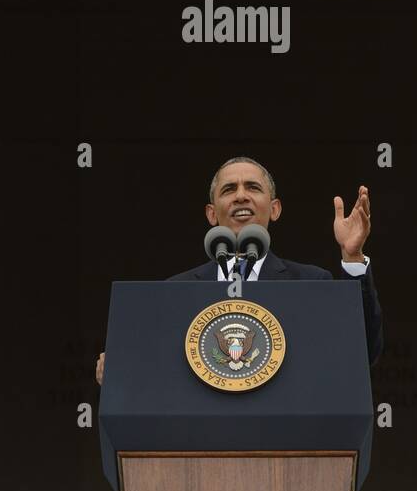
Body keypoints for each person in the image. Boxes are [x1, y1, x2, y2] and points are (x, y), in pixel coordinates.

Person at [95, 156, 383, 383]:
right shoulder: (177, 291)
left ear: (275, 209)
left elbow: (362, 354)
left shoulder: (310, 281)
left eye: (253, 188)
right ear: (212, 213)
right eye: (229, 189)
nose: (241, 196)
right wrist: (122, 373)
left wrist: (353, 256)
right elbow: (159, 370)